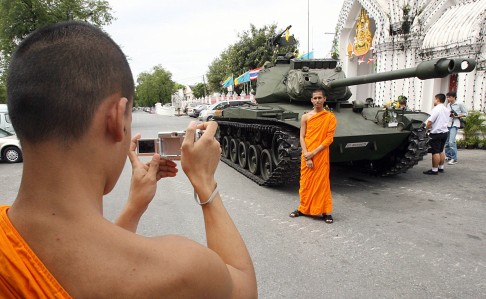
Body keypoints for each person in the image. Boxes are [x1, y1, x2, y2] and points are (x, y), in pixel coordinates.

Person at [1, 21, 257, 298]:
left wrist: (134, 207)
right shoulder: (182, 269)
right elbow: (244, 287)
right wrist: (205, 182)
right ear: (116, 117)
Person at [289, 89, 337, 223]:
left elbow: (329, 139)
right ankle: (302, 208)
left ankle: (325, 211)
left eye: (319, 98)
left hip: (320, 154)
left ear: (324, 99)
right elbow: (302, 136)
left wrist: (313, 153)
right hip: (307, 153)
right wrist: (307, 155)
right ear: (311, 100)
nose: (317, 100)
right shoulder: (306, 117)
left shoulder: (329, 117)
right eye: (315, 98)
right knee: (305, 182)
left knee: (322, 183)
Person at [423, 93, 449, 175]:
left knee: (435, 152)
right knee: (441, 150)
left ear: (437, 99)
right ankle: (441, 168)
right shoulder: (446, 109)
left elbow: (430, 121)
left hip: (436, 132)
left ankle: (434, 170)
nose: (434, 101)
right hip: (445, 131)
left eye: (434, 99)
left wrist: (426, 130)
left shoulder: (436, 109)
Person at [444, 91, 467, 165]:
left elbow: (465, 113)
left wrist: (456, 116)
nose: (448, 98)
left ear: (454, 97)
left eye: (449, 97)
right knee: (447, 142)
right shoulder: (448, 104)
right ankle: (448, 155)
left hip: (455, 124)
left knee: (451, 141)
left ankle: (454, 158)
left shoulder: (460, 104)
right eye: (447, 97)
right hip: (448, 124)